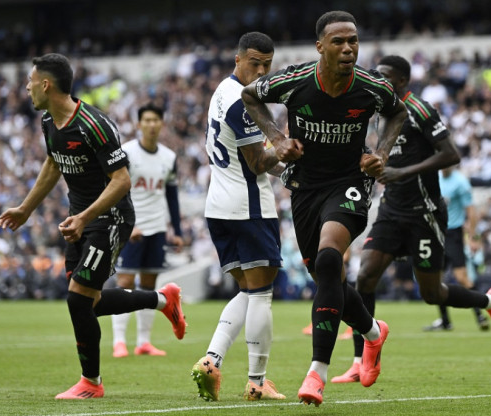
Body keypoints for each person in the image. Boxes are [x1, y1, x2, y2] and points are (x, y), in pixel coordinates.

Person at [0, 53, 186, 399]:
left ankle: (91, 383)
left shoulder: (94, 125)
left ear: (45, 84)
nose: (25, 87)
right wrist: (26, 208)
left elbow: (122, 181)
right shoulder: (48, 122)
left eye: (29, 80)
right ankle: (163, 300)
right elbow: (54, 165)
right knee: (90, 303)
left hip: (110, 219)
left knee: (77, 300)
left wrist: (85, 218)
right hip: (80, 219)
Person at [242, 11, 407, 406]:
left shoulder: (371, 86)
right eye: (338, 41)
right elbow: (250, 96)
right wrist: (277, 138)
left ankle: (317, 373)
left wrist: (380, 153)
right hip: (304, 188)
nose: (348, 48)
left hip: (350, 183)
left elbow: (398, 112)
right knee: (324, 276)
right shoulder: (294, 81)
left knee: (332, 261)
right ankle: (371, 332)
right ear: (321, 46)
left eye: (353, 40)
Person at [330, 55, 491, 384]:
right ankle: (360, 360)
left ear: (401, 81)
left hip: (424, 212)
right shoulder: (377, 114)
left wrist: (401, 172)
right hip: (391, 210)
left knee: (432, 293)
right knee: (366, 276)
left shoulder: (420, 109)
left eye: (385, 77)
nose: (379, 83)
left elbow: (451, 154)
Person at [190, 32, 286, 402]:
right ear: (238, 60)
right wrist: (290, 151)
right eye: (255, 63)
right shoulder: (242, 103)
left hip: (219, 206)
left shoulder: (221, 92)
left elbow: (256, 158)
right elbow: (259, 161)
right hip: (248, 207)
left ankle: (212, 361)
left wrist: (287, 169)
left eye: (267, 65)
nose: (261, 72)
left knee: (248, 291)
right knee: (261, 295)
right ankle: (258, 381)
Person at [111, 103, 185, 358]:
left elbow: (172, 196)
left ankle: (143, 341)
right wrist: (126, 224)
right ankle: (119, 341)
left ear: (161, 123)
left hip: (156, 229)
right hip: (131, 228)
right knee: (125, 282)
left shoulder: (169, 157)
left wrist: (176, 230)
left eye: (156, 120)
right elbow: (115, 189)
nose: (152, 124)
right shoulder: (126, 153)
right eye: (147, 120)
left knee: (149, 285)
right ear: (139, 123)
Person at [424, 165, 491, 331]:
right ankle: (445, 321)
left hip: (453, 235)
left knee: (462, 277)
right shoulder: (435, 178)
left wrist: (473, 238)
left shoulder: (461, 182)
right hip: (437, 233)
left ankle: (480, 315)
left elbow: (471, 211)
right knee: (435, 281)